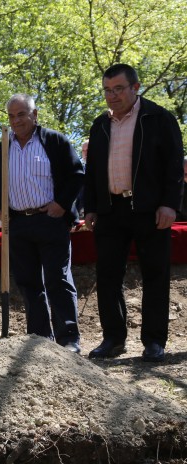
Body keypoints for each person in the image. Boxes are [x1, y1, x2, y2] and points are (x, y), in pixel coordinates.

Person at [84, 64, 185, 362]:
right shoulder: (99, 125)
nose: (112, 96)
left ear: (135, 87)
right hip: (110, 211)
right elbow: (92, 173)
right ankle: (113, 339)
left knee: (155, 274)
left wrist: (170, 203)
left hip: (150, 210)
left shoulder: (159, 118)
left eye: (118, 89)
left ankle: (154, 341)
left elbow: (174, 165)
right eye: (107, 90)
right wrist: (90, 206)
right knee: (108, 275)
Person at [0, 94, 84, 353]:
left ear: (34, 114)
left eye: (21, 114)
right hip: (18, 224)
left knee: (58, 279)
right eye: (11, 116)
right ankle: (41, 340)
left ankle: (68, 339)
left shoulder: (54, 141)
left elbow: (76, 175)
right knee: (29, 284)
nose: (16, 120)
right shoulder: (2, 148)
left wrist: (62, 204)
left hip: (51, 221)